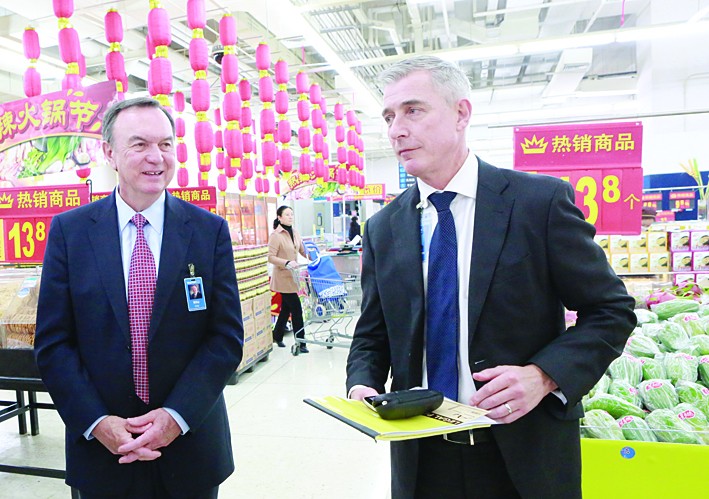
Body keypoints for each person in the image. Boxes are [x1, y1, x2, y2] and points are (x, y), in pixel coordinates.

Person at [345, 55, 636, 499]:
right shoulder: (384, 227)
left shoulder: (536, 203)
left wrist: (544, 375)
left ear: (461, 113)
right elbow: (373, 332)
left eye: (413, 110)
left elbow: (610, 310)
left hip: (522, 452)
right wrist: (361, 383)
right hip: (421, 454)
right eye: (388, 117)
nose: (396, 130)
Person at [34, 97, 243, 499]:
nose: (156, 157)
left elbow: (225, 337)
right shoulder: (70, 233)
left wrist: (176, 416)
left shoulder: (208, 231)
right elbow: (54, 343)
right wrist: (96, 422)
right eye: (140, 144)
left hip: (191, 447)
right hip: (103, 452)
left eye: (165, 144)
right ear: (109, 152)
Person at [268, 205, 309, 352]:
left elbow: (303, 250)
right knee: (296, 309)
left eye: (291, 214)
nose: (290, 217)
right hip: (282, 278)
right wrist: (286, 262)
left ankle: (277, 335)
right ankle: (301, 342)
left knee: (286, 309)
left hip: (293, 277)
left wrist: (316, 256)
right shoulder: (276, 235)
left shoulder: (295, 233)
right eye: (287, 214)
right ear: (279, 218)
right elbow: (270, 257)